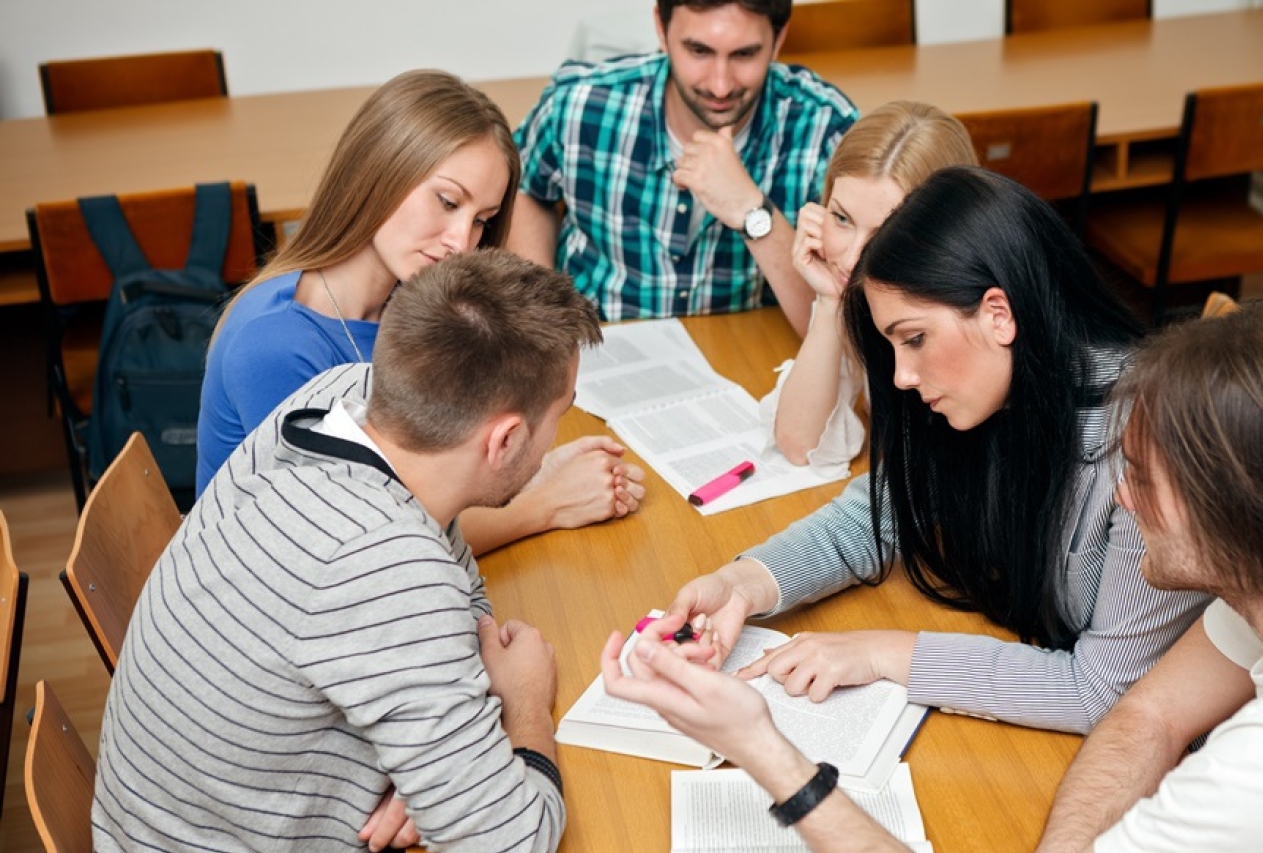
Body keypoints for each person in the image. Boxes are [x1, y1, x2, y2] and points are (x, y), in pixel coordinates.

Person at [604, 301, 1263, 853]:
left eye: (1145, 480)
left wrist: (767, 749)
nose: (1120, 495)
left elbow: (1134, 711)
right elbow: (1148, 713)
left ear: (1244, 517)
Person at [658, 166, 1208, 734]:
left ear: (999, 314)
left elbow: (1101, 691)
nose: (900, 376)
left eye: (915, 338)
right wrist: (743, 584)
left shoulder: (1152, 445)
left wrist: (884, 652)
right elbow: (878, 516)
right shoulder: (999, 395)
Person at [97, 249, 592, 853]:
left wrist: (436, 776)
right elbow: (507, 844)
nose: (554, 441)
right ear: (507, 438)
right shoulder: (387, 565)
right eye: (559, 415)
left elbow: (463, 615)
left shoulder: (341, 401)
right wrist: (524, 706)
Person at [198, 69, 644, 553]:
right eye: (447, 201)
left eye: (482, 221)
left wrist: (531, 470)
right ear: (379, 171)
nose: (462, 241)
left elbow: (417, 483)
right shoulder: (276, 347)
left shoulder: (401, 300)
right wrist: (545, 503)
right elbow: (356, 541)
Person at [507, 0, 858, 333]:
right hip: (594, 345)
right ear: (661, 28)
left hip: (742, 353)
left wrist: (753, 213)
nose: (720, 85)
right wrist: (542, 315)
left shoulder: (827, 130)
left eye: (745, 54)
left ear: (778, 39)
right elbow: (527, 188)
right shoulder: (579, 102)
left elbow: (839, 327)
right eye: (699, 51)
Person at [762, 100, 978, 468]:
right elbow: (800, 444)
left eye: (885, 234)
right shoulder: (862, 297)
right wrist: (830, 302)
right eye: (841, 217)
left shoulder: (960, 317)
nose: (850, 259)